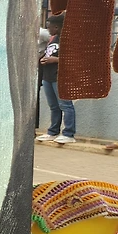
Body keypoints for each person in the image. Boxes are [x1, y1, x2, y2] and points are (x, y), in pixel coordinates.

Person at [37, 14, 74, 145]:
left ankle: (68, 133)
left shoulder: (67, 40)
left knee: (65, 105)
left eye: (49, 27)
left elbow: (72, 59)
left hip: (60, 77)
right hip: (48, 76)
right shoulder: (53, 39)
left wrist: (55, 60)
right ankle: (53, 131)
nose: (48, 30)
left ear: (57, 27)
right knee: (54, 106)